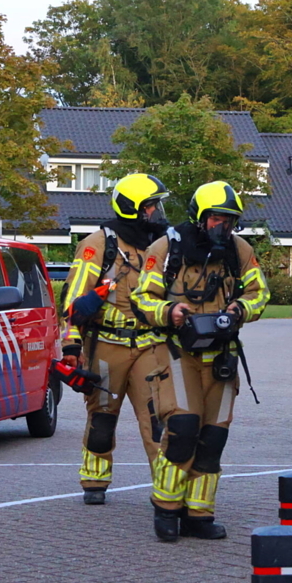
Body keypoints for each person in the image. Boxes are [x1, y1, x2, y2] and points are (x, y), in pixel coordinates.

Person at [131, 181, 270, 542]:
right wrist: (169, 311)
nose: (223, 228)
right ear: (200, 217)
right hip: (178, 353)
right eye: (216, 220)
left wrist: (240, 309)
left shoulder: (239, 251)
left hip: (222, 355)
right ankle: (166, 508)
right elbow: (141, 298)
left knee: (213, 438)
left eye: (229, 221)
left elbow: (260, 292)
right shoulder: (165, 248)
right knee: (183, 430)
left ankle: (199, 513)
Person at [59, 173, 171, 505]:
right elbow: (73, 303)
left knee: (157, 420)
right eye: (152, 206)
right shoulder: (98, 245)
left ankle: (167, 490)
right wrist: (71, 347)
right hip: (107, 345)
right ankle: (94, 480)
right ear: (132, 209)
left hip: (150, 345)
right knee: (103, 417)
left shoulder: (162, 245)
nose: (158, 212)